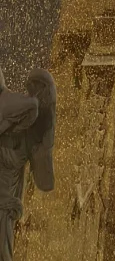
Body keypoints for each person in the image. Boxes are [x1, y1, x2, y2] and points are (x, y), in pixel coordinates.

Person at [0, 68, 56, 261]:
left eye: (33, 86)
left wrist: (10, 127)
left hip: (5, 189)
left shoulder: (11, 103)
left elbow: (31, 106)